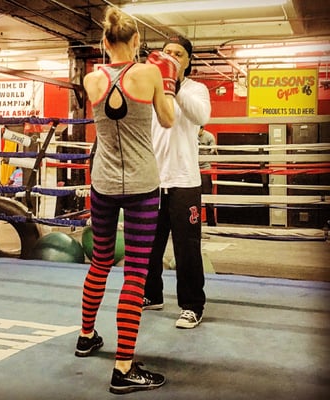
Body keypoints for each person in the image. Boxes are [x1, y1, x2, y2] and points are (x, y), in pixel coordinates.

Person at [74, 6, 179, 394]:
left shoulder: (91, 80)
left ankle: (86, 336)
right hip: (140, 184)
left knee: (101, 260)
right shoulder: (150, 73)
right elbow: (167, 120)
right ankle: (123, 367)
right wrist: (168, 83)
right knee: (135, 271)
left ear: (104, 43)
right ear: (136, 41)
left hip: (102, 182)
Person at [143, 35, 211, 329]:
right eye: (167, 53)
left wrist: (175, 83)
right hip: (152, 181)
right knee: (149, 246)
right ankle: (151, 295)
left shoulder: (197, 89)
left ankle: (192, 305)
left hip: (184, 182)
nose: (171, 57)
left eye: (178, 54)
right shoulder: (150, 91)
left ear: (188, 61)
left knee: (187, 248)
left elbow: (202, 116)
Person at [198, 126, 218, 226]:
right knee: (194, 197)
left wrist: (211, 150)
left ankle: (211, 223)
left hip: (205, 168)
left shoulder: (209, 136)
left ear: (202, 129)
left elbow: (213, 148)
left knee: (208, 196)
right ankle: (195, 222)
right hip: (193, 169)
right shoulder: (191, 135)